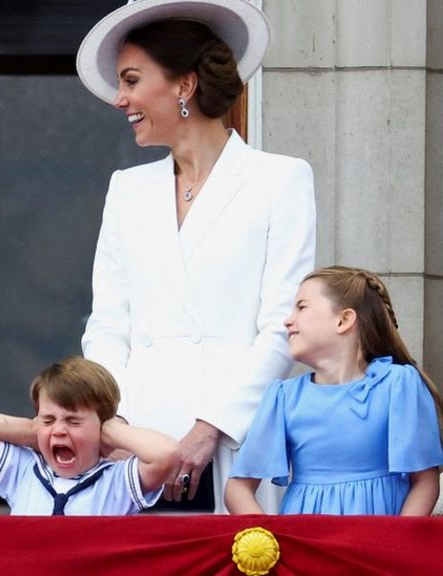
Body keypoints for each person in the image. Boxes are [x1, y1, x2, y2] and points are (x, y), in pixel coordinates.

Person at [75, 0, 317, 513]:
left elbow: (282, 326)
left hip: (234, 438)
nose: (120, 99)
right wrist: (111, 424)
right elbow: (107, 325)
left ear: (184, 86)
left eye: (132, 80)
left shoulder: (281, 180)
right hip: (135, 444)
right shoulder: (127, 189)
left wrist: (212, 427)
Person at [225, 267, 443, 515]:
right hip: (306, 545)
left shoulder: (398, 384)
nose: (288, 320)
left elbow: (425, 482)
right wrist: (272, 544)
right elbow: (237, 489)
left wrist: (395, 545)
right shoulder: (284, 397)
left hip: (375, 545)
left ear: (344, 320)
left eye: (301, 307)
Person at [0, 357, 178, 515]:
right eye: (48, 419)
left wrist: (110, 431)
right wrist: (32, 432)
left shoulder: (116, 482)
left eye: (73, 421)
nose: (59, 430)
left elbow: (166, 454)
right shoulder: (23, 471)